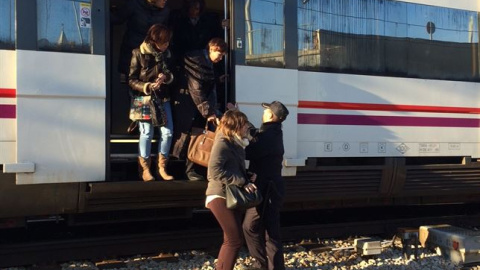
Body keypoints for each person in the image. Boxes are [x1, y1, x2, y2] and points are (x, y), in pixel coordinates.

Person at [206, 110, 257, 270]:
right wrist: (242, 182)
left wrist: (247, 175)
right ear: (235, 125)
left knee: (230, 241)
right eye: (244, 124)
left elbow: (231, 168)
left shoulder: (235, 142)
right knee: (234, 241)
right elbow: (214, 170)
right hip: (219, 195)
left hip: (229, 195)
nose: (247, 127)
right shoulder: (223, 141)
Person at [172, 37, 228, 181]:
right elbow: (197, 89)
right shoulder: (197, 61)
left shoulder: (202, 60)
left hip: (194, 105)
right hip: (190, 105)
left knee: (195, 136)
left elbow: (202, 86)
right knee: (193, 136)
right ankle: (189, 170)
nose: (221, 58)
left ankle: (191, 169)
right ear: (212, 49)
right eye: (220, 55)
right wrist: (209, 112)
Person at [242, 101, 289, 270]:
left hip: (266, 189)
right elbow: (256, 135)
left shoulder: (269, 136)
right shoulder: (272, 133)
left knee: (252, 227)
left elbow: (251, 150)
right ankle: (268, 265)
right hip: (271, 188)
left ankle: (261, 264)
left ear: (270, 115)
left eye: (266, 110)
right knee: (268, 230)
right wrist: (244, 122)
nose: (263, 113)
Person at [129, 24, 175, 181]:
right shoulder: (138, 53)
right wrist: (147, 86)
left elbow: (172, 74)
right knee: (146, 133)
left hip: (163, 97)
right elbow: (131, 80)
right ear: (154, 40)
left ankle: (162, 167)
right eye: (164, 42)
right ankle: (145, 169)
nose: (166, 45)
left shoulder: (167, 54)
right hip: (144, 98)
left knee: (168, 132)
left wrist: (166, 78)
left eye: (168, 42)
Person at [112, 0, 170, 82]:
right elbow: (117, 19)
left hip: (153, 54)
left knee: (153, 83)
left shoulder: (165, 11)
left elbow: (164, 33)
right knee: (132, 81)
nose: (165, 0)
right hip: (132, 50)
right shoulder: (134, 4)